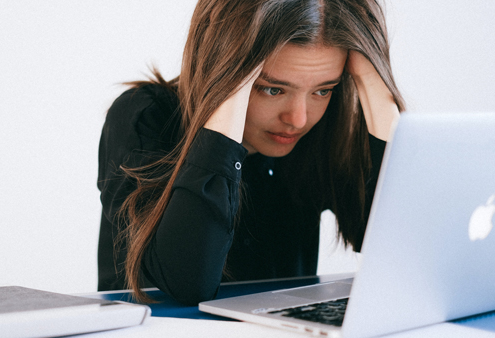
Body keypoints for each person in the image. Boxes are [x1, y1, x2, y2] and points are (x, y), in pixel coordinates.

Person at [98, 0, 405, 305]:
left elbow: (405, 252)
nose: (298, 119)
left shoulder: (323, 129)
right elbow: (187, 283)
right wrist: (226, 97)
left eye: (322, 90)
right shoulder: (145, 117)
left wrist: (377, 85)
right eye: (272, 89)